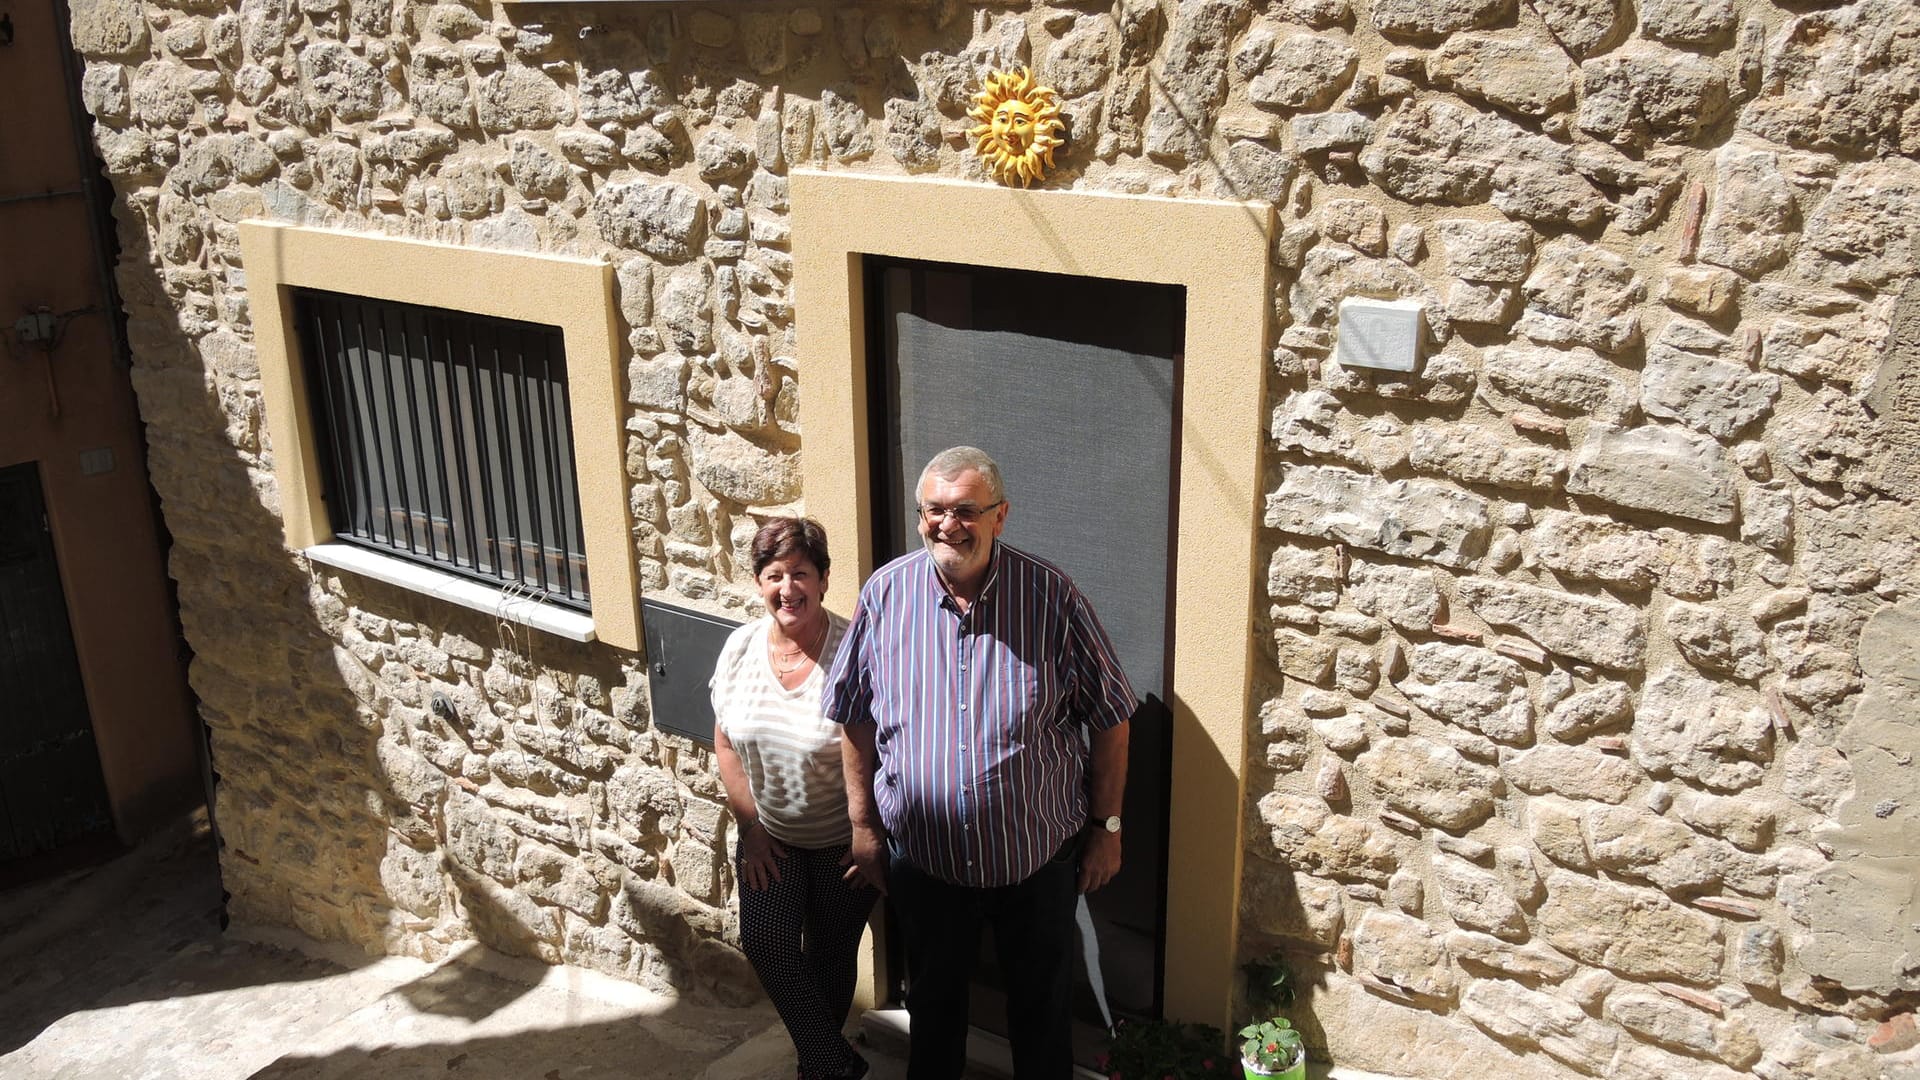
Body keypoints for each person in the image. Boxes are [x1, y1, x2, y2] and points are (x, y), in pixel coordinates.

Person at [826, 446, 1134, 1080]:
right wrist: (862, 826)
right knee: (933, 1017)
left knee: (1041, 1020)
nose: (949, 525)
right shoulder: (886, 594)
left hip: (1034, 862)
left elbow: (1111, 717)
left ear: (1001, 516)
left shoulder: (1052, 597)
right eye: (934, 510)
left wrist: (1107, 828)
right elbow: (852, 711)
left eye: (966, 510)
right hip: (926, 863)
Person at [712, 517, 876, 1080]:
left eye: (801, 573)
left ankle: (820, 1069)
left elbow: (885, 749)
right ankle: (834, 1062)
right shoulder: (739, 650)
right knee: (767, 943)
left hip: (842, 847)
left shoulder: (855, 649)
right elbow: (726, 741)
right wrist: (751, 827)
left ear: (825, 580)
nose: (788, 588)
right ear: (758, 583)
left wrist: (868, 833)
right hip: (770, 838)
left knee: (831, 964)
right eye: (775, 575)